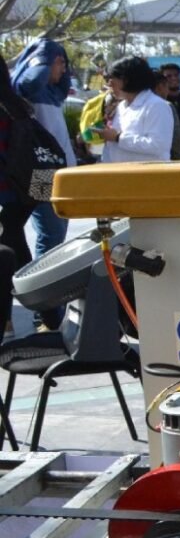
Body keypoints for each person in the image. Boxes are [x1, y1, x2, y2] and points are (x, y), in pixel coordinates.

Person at [10, 38, 74, 330]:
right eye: (57, 62)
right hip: (43, 174)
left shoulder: (50, 93)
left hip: (60, 173)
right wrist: (46, 51)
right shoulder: (29, 90)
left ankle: (49, 313)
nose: (62, 67)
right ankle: (46, 314)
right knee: (50, 241)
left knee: (54, 239)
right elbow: (33, 78)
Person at [0, 53, 36, 334]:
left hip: (6, 191)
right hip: (22, 193)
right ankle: (47, 311)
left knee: (9, 253)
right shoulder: (18, 105)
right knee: (14, 251)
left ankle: (12, 320)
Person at [93, 56, 174, 163]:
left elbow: (158, 146)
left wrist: (118, 137)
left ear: (128, 79)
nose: (109, 84)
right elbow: (112, 147)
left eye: (113, 79)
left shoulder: (157, 106)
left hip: (148, 176)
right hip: (119, 175)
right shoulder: (121, 107)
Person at [153, 71, 180, 160]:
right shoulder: (166, 105)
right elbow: (176, 139)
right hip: (168, 161)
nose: (167, 91)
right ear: (160, 87)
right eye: (167, 87)